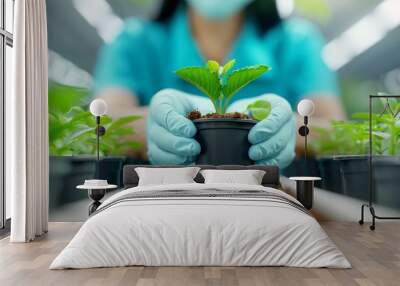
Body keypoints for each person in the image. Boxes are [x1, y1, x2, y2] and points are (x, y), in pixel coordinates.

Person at [93, 0, 345, 168]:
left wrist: (293, 131)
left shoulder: (296, 41)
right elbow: (101, 125)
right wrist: (151, 126)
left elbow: (338, 132)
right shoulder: (135, 40)